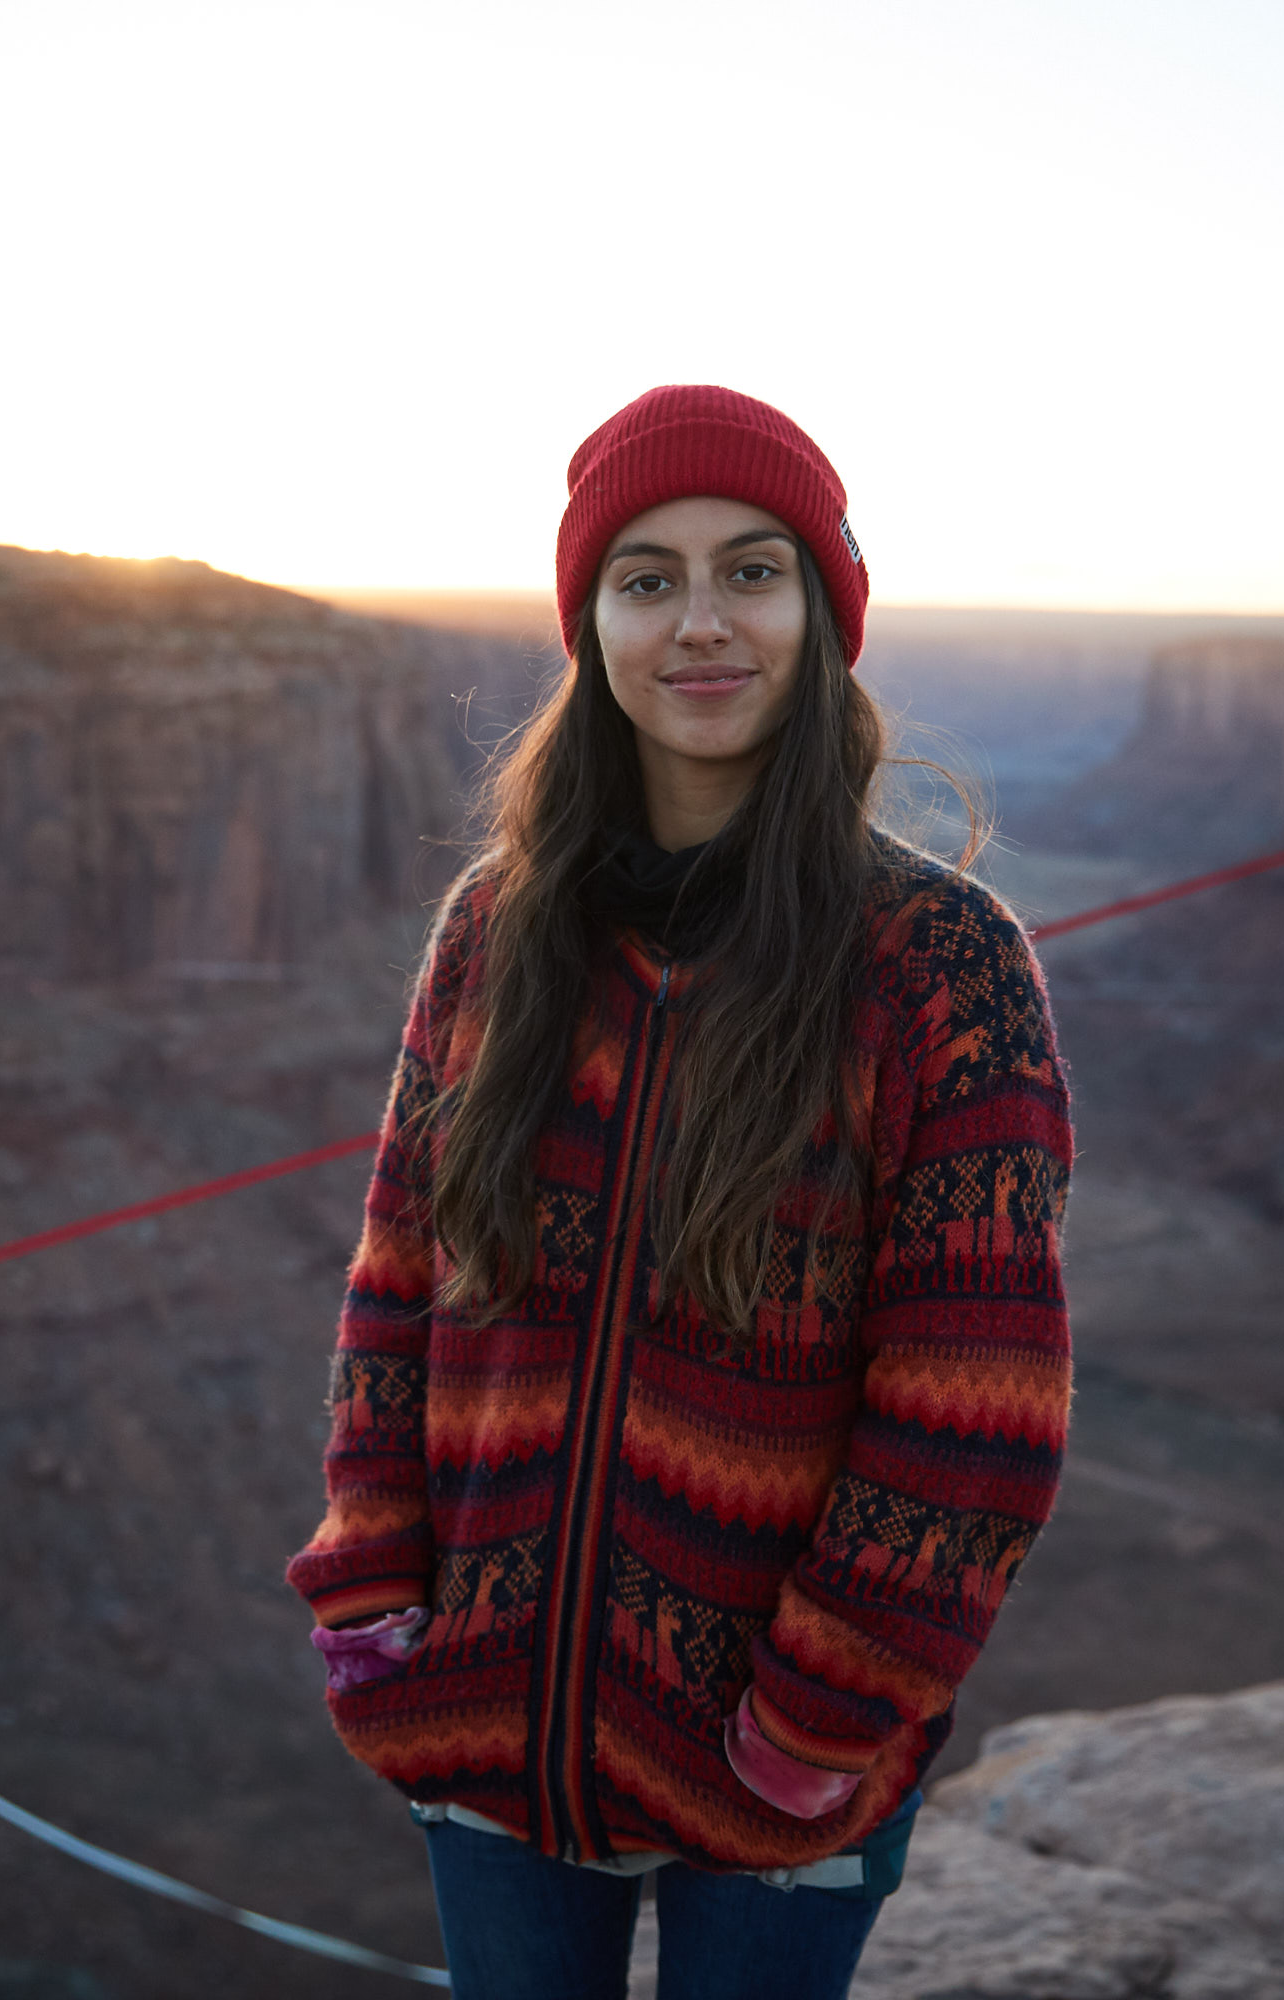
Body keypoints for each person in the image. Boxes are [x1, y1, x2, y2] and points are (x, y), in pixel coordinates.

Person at [288, 385, 1073, 2000]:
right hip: (488, 1735)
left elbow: (974, 1410)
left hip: (786, 1778)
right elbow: (395, 1284)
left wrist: (812, 1722)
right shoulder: (493, 933)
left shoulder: (941, 966)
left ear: (822, 613)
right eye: (646, 579)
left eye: (753, 571)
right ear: (591, 622)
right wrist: (374, 1600)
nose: (700, 625)